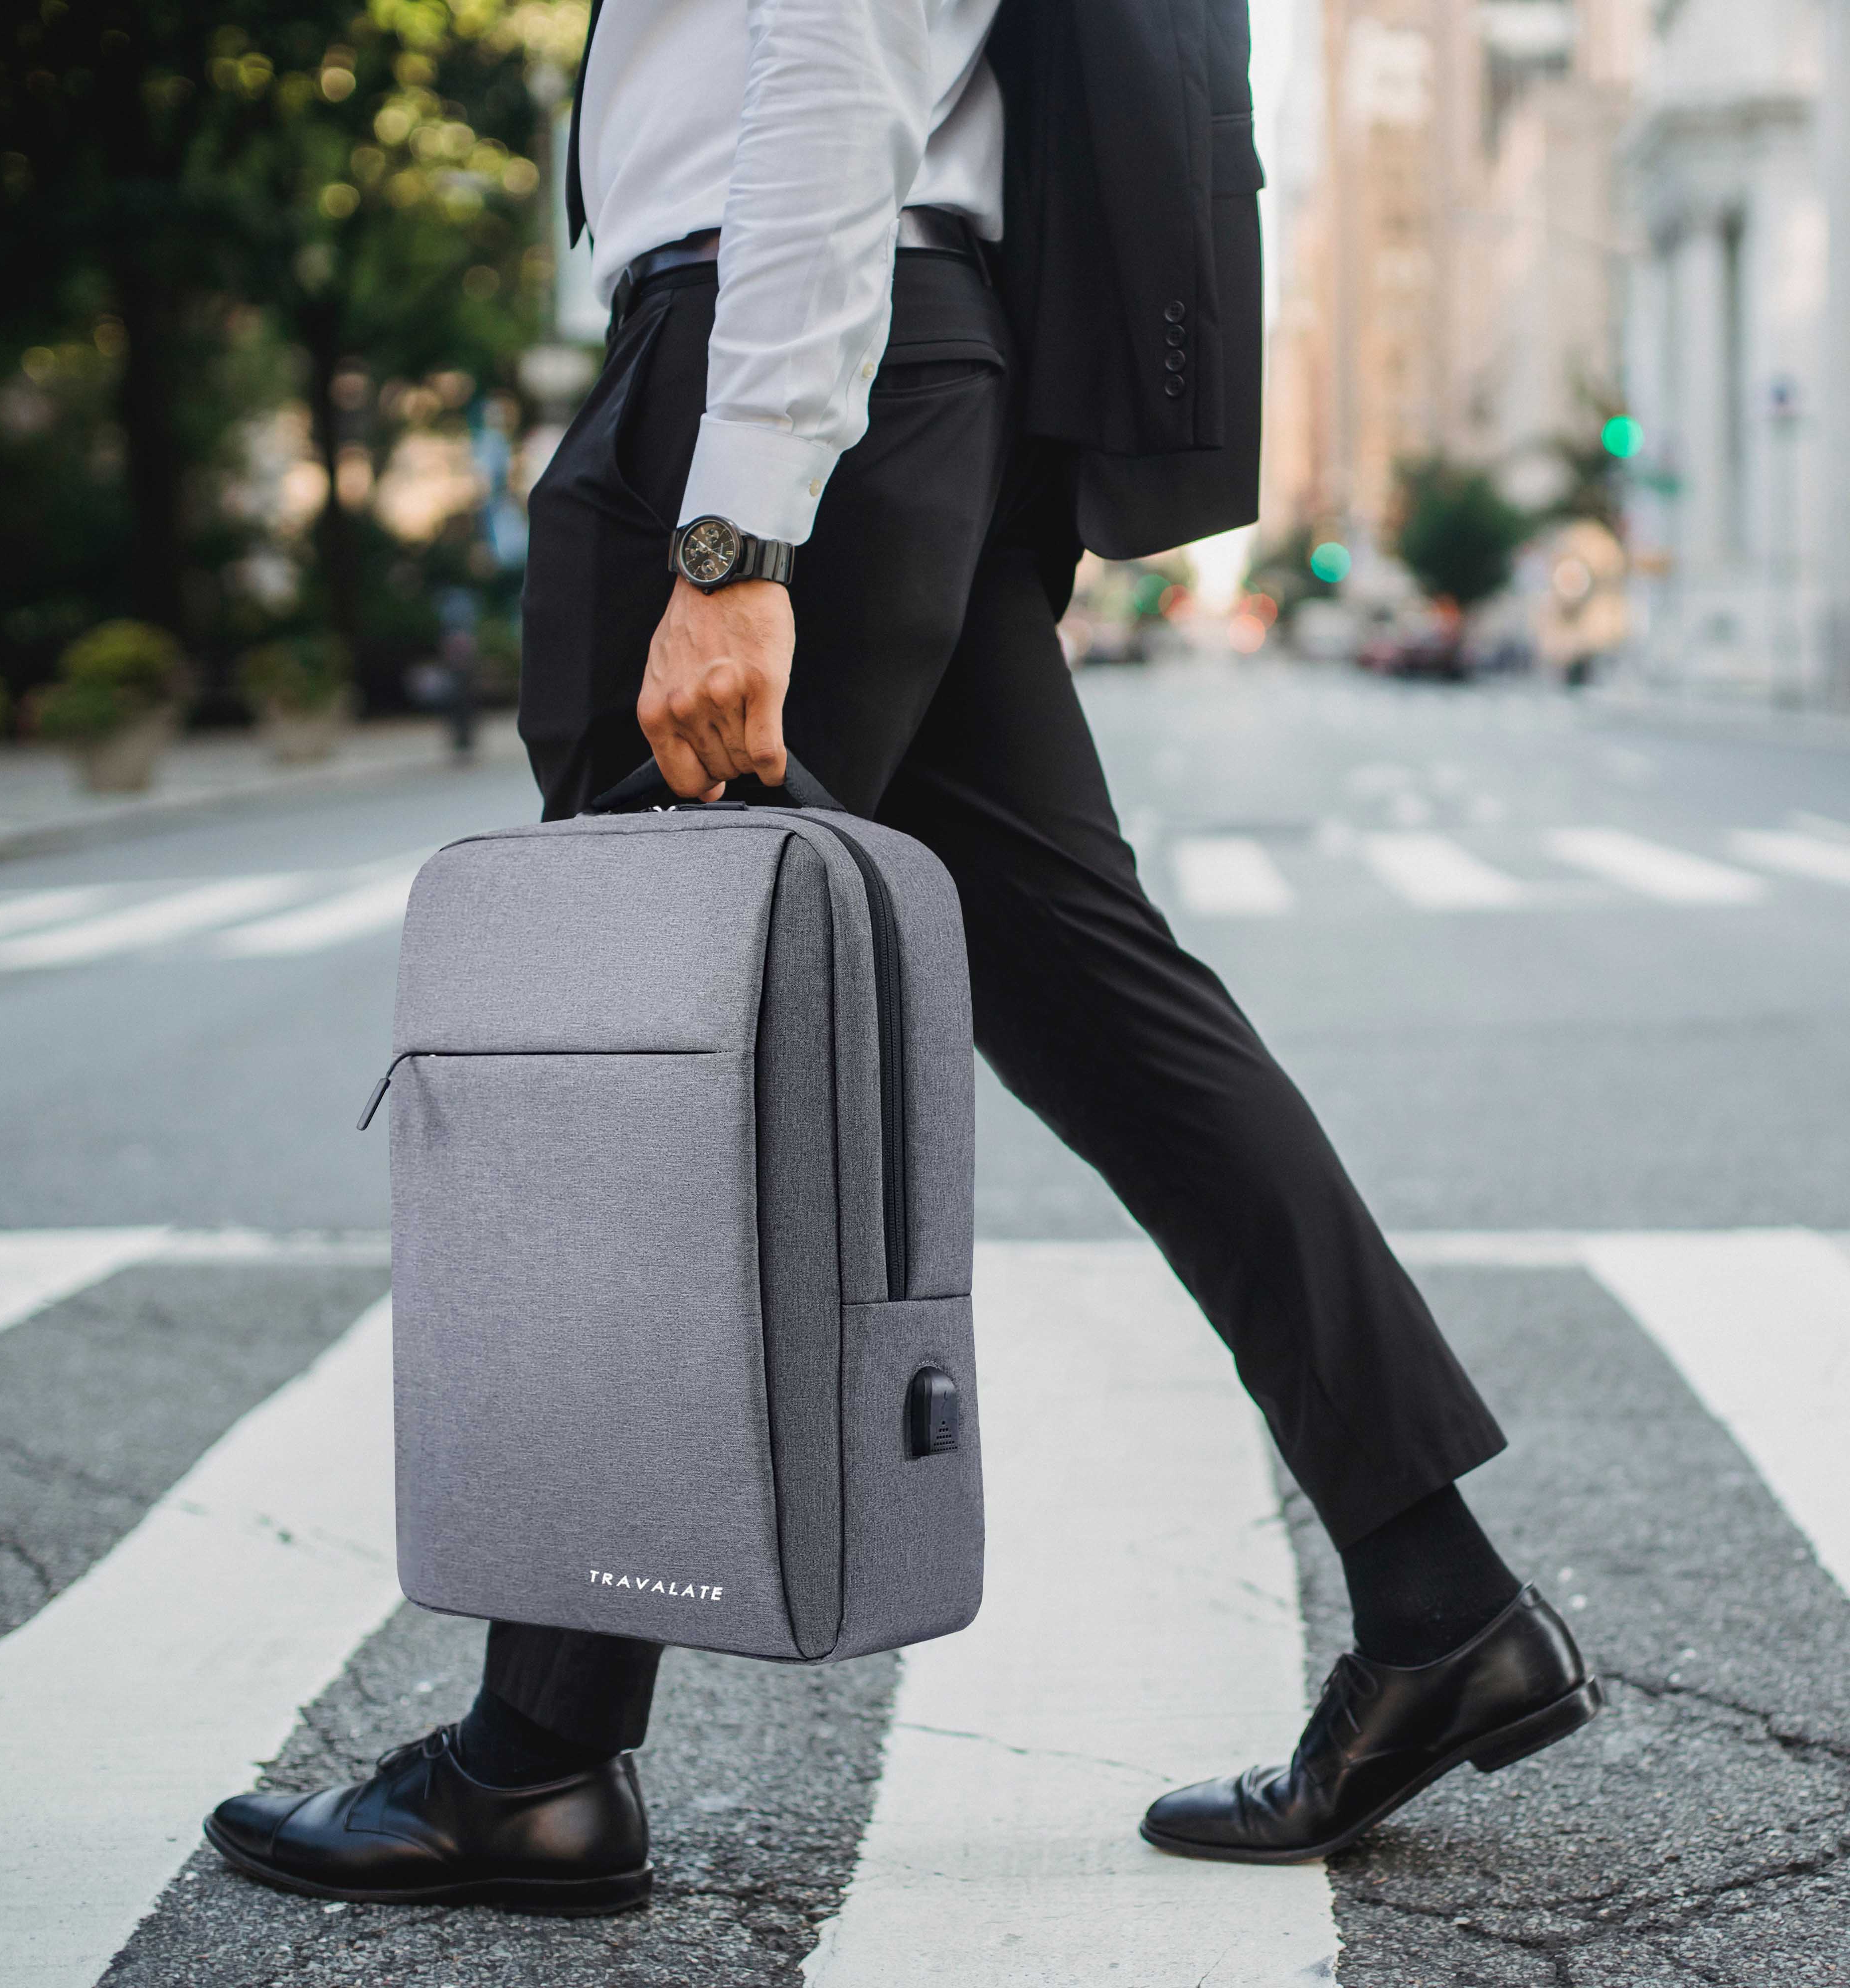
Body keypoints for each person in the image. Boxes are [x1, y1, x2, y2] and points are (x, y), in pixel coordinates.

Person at [205, 0, 1599, 1911]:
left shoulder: (761, 428)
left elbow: (832, 61)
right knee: (1099, 1004)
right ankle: (1440, 1604)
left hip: (779, 352)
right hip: (891, 354)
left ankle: (533, 1760)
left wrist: (733, 537)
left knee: (635, 1032)